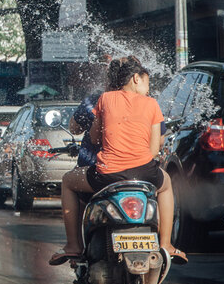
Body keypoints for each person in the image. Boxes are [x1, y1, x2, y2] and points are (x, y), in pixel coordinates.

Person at [50, 56, 187, 266]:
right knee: (166, 185)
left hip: (108, 175)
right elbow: (153, 150)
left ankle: (73, 246)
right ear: (135, 79)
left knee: (68, 181)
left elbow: (95, 138)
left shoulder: (104, 99)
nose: (149, 89)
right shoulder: (151, 104)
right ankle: (167, 245)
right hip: (145, 173)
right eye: (147, 82)